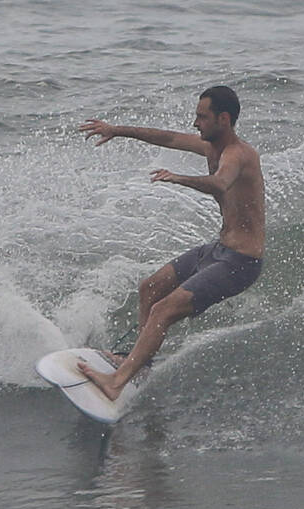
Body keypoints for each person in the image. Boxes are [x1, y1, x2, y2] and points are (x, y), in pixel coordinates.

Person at [76, 85, 266, 401]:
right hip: (218, 250)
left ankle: (116, 382)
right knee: (150, 288)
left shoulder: (239, 155)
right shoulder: (211, 147)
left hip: (240, 263)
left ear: (223, 118)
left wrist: (179, 178)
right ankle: (139, 364)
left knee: (163, 310)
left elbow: (220, 182)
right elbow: (167, 138)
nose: (195, 123)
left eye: (202, 117)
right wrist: (116, 130)